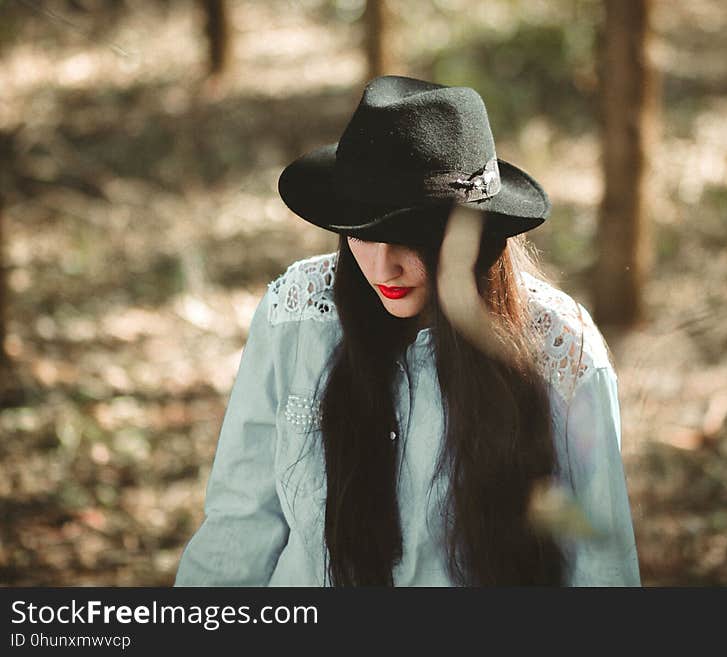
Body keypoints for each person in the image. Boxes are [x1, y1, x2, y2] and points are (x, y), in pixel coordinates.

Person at [174, 75, 640, 586]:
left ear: (475, 236)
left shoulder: (560, 350)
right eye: (362, 234)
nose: (381, 267)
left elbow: (600, 565)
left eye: (409, 238)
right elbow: (239, 526)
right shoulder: (295, 317)